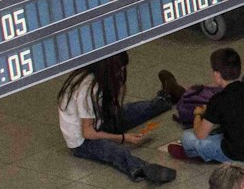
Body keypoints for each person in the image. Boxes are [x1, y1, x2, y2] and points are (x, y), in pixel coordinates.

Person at [57, 54, 181, 183]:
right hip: (82, 141)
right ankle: (140, 168)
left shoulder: (93, 75)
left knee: (130, 111)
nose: (120, 74)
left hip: (98, 123)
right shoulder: (88, 88)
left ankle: (166, 98)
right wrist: (123, 138)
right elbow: (88, 133)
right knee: (113, 151)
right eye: (118, 70)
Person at [172, 49, 244, 166]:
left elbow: (200, 134)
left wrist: (197, 114)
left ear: (217, 75)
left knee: (188, 137)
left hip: (241, 156)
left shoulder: (218, 100)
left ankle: (195, 152)